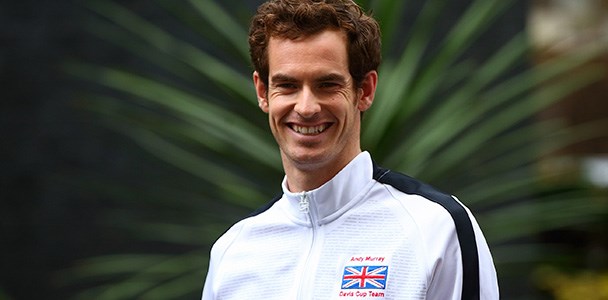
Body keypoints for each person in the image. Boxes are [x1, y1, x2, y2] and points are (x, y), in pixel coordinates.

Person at [201, 0, 498, 299]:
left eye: (327, 84)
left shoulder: (437, 230)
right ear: (263, 93)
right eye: (287, 85)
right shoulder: (233, 252)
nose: (306, 108)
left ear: (365, 91)